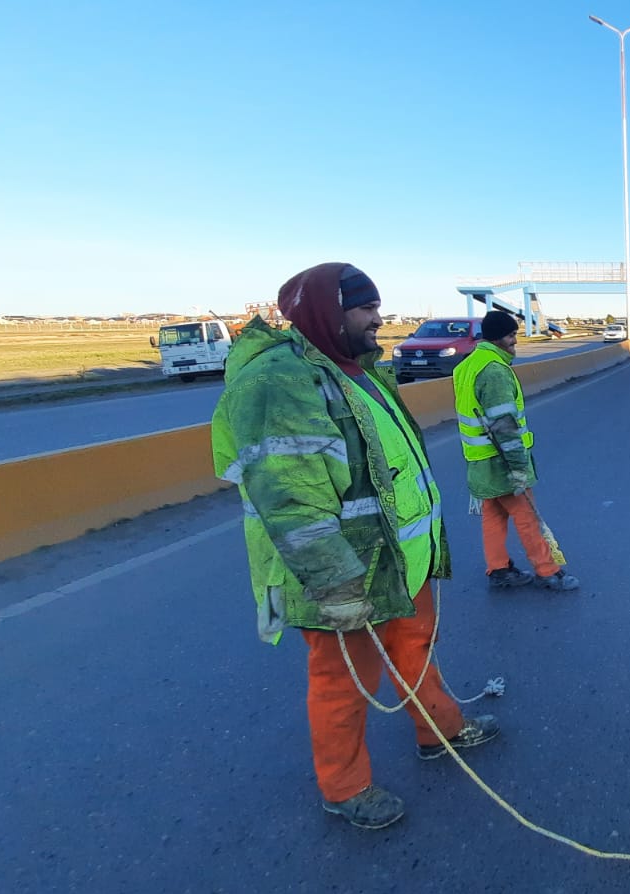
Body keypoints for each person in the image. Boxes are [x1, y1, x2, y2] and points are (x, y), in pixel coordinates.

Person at [211, 262, 499, 831]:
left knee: (415, 649)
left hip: (398, 561)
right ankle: (345, 787)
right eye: (365, 308)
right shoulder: (281, 382)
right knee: (342, 681)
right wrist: (336, 583)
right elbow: (291, 497)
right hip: (344, 573)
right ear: (326, 312)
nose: (379, 318)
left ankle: (439, 731)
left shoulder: (358, 372)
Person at [452, 309, 579, 591]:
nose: (515, 342)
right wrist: (519, 468)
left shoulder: (467, 365)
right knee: (527, 516)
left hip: (478, 460)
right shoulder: (494, 371)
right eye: (511, 336)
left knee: (494, 515)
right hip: (501, 462)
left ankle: (498, 569)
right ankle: (547, 571)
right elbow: (505, 427)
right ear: (498, 338)